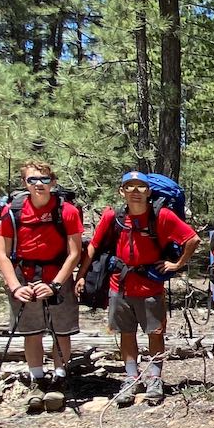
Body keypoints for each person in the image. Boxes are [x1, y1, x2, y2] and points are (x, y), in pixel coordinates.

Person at [82, 171, 199, 408]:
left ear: (148, 191)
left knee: (154, 332)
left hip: (150, 285)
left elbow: (192, 239)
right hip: (120, 284)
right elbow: (94, 246)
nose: (135, 191)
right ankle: (131, 377)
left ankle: (154, 378)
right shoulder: (112, 217)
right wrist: (81, 276)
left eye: (140, 187)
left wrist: (177, 264)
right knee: (126, 332)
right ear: (121, 191)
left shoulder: (162, 216)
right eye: (130, 187)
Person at [0, 160, 83, 415]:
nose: (39, 185)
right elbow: (2, 253)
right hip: (24, 275)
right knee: (31, 331)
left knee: (61, 331)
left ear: (53, 182)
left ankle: (59, 377)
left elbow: (74, 252)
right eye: (32, 180)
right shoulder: (13, 211)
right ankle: (37, 379)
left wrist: (55, 285)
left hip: (57, 275)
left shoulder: (67, 211)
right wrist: (14, 287)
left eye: (44, 179)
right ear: (25, 183)